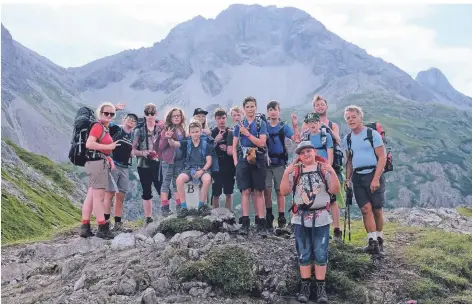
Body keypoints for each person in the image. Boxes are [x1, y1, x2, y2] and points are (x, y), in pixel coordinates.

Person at [280, 141, 340, 303]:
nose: (306, 154)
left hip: (321, 217)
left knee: (321, 252)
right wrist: (286, 174)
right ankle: (305, 287)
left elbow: (335, 190)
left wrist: (333, 172)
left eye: (308, 151)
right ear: (299, 156)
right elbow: (284, 191)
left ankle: (321, 288)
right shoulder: (295, 171)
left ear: (314, 152)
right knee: (303, 252)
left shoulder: (323, 168)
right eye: (302, 152)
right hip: (300, 217)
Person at [343, 105, 387, 256]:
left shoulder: (372, 134)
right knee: (365, 209)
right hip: (358, 176)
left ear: (361, 117)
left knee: (377, 209)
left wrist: (376, 179)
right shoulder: (347, 139)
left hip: (373, 173)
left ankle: (380, 238)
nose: (351, 120)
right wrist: (347, 179)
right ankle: (372, 242)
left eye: (353, 117)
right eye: (348, 118)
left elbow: (382, 157)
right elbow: (349, 161)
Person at [80, 102, 120, 239]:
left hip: (94, 162)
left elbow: (98, 148)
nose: (109, 116)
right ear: (100, 114)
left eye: (112, 114)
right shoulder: (98, 127)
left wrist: (108, 157)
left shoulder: (102, 126)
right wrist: (110, 147)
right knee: (99, 197)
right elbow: (89, 144)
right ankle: (102, 228)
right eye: (106, 113)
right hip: (97, 165)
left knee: (91, 195)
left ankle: (85, 227)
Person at [233, 96, 268, 236]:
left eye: (252, 106)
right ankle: (245, 223)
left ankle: (261, 223)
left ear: (256, 107)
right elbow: (234, 145)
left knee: (259, 191)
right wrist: (236, 163)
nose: (250, 109)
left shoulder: (261, 124)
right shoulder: (238, 126)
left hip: (258, 158)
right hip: (243, 159)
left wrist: (247, 134)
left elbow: (262, 143)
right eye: (247, 106)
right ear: (244, 109)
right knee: (245, 191)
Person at [264, 100, 299, 229]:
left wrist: (295, 126)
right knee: (266, 190)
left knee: (280, 191)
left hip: (279, 163)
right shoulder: (264, 125)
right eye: (270, 110)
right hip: (266, 163)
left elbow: (296, 139)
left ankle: (281, 217)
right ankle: (269, 216)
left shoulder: (283, 126)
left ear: (279, 111)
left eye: (275, 109)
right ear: (267, 112)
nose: (273, 112)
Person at [313, 95, 344, 241]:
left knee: (332, 199)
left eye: (322, 104)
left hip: (330, 165)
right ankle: (321, 227)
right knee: (317, 197)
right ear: (314, 108)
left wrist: (326, 129)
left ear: (326, 106)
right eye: (317, 105)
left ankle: (337, 229)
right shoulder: (310, 124)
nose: (320, 107)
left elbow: (338, 139)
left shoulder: (333, 125)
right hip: (314, 166)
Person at [169, 121, 213, 217]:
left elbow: (209, 161)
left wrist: (202, 171)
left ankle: (201, 206)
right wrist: (169, 138)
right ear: (189, 133)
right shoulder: (186, 143)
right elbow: (174, 144)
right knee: (179, 180)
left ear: (201, 132)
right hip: (189, 169)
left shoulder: (206, 145)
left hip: (202, 168)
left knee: (207, 179)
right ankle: (184, 207)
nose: (195, 134)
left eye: (197, 132)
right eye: (193, 132)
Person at [131, 103, 165, 225]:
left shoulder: (161, 128)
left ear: (156, 114)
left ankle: (165, 213)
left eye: (152, 113)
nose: (150, 116)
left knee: (162, 188)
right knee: (146, 190)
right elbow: (133, 150)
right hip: (143, 164)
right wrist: (143, 152)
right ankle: (148, 218)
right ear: (144, 115)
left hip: (158, 163)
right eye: (147, 113)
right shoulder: (139, 130)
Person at [104, 111, 137, 232]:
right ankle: (105, 222)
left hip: (125, 167)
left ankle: (117, 223)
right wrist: (114, 109)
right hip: (113, 164)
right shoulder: (116, 128)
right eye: (129, 119)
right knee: (109, 194)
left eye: (134, 120)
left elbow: (130, 148)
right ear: (124, 119)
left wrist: (131, 153)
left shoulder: (132, 135)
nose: (131, 121)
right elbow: (103, 122)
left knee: (121, 195)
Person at [158, 107, 187, 216]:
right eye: (174, 116)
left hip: (179, 160)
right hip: (168, 160)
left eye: (178, 115)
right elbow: (161, 146)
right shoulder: (166, 129)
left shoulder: (182, 129)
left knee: (177, 183)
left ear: (181, 117)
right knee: (166, 182)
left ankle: (179, 207)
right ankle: (165, 208)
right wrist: (166, 137)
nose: (176, 117)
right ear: (170, 117)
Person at [210, 108, 236, 210]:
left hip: (229, 166)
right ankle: (215, 215)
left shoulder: (231, 132)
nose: (221, 120)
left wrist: (228, 149)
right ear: (216, 119)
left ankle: (229, 215)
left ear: (226, 118)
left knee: (229, 193)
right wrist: (215, 140)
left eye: (223, 118)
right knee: (216, 193)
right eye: (219, 118)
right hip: (216, 167)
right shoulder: (212, 133)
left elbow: (237, 148)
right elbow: (207, 150)